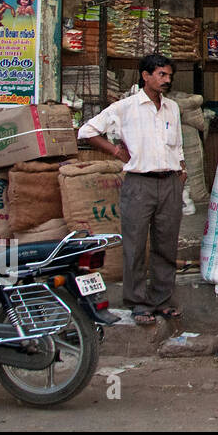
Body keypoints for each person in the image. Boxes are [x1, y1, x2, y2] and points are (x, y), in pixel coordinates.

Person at [77, 54, 185, 326]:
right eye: (161, 74)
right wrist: (115, 151)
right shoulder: (125, 107)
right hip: (139, 182)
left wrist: (181, 170)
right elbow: (87, 131)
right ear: (145, 76)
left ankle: (161, 300)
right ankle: (138, 302)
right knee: (135, 244)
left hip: (170, 180)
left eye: (169, 75)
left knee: (166, 244)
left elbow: (178, 145)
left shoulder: (172, 107)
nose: (167, 80)